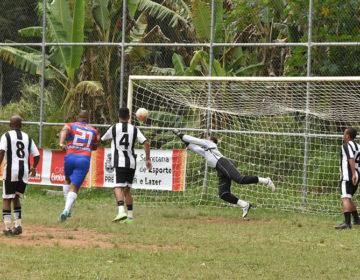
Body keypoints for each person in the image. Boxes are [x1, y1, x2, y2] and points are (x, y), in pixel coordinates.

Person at [173, 130, 275, 218]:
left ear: (212, 141)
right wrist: (181, 138)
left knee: (240, 179)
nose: (205, 139)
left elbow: (195, 140)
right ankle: (245, 205)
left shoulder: (211, 145)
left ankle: (266, 181)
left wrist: (180, 134)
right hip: (219, 169)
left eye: (207, 139)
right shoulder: (206, 151)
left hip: (223, 163)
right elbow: (193, 147)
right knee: (223, 194)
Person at [101, 107, 152, 223]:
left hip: (120, 162)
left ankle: (120, 212)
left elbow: (101, 138)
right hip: (132, 163)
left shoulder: (114, 127)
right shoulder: (134, 129)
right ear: (129, 117)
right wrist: (148, 159)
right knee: (127, 190)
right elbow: (146, 142)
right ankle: (130, 217)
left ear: (118, 116)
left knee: (117, 187)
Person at [0, 115, 40, 235]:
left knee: (6, 198)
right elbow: (37, 155)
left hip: (11, 170)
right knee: (16, 197)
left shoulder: (6, 135)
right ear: (21, 125)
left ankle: (7, 228)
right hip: (24, 171)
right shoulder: (27, 137)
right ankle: (18, 226)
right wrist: (34, 167)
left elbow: (1, 152)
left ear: (10, 125)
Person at [57, 110, 99, 221]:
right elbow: (95, 146)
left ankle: (68, 209)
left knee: (67, 179)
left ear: (78, 117)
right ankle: (66, 210)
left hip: (70, 156)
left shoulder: (71, 125)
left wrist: (61, 143)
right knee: (75, 186)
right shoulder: (94, 130)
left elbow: (64, 130)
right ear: (88, 119)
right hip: (84, 158)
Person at [335, 127, 360, 229]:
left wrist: (353, 174)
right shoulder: (358, 146)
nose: (343, 135)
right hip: (357, 176)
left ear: (348, 136)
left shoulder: (346, 145)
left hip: (348, 176)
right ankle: (357, 219)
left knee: (345, 198)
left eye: (344, 133)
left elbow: (351, 158)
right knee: (348, 197)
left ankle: (347, 222)